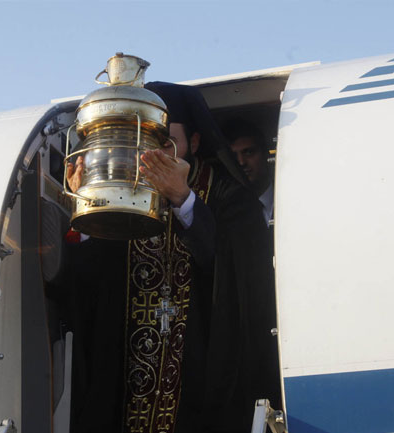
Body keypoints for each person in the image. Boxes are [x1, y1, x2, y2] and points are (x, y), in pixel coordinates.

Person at [59, 82, 280, 433]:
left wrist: (183, 199)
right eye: (145, 141)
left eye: (166, 142)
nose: (154, 152)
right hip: (128, 380)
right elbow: (90, 289)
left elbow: (235, 277)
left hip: (202, 376)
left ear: (193, 143)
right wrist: (85, 210)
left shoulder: (228, 196)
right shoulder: (125, 195)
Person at [224, 119, 273, 226]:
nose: (241, 162)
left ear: (265, 153)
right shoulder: (226, 213)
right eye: (233, 157)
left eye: (249, 152)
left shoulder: (291, 197)